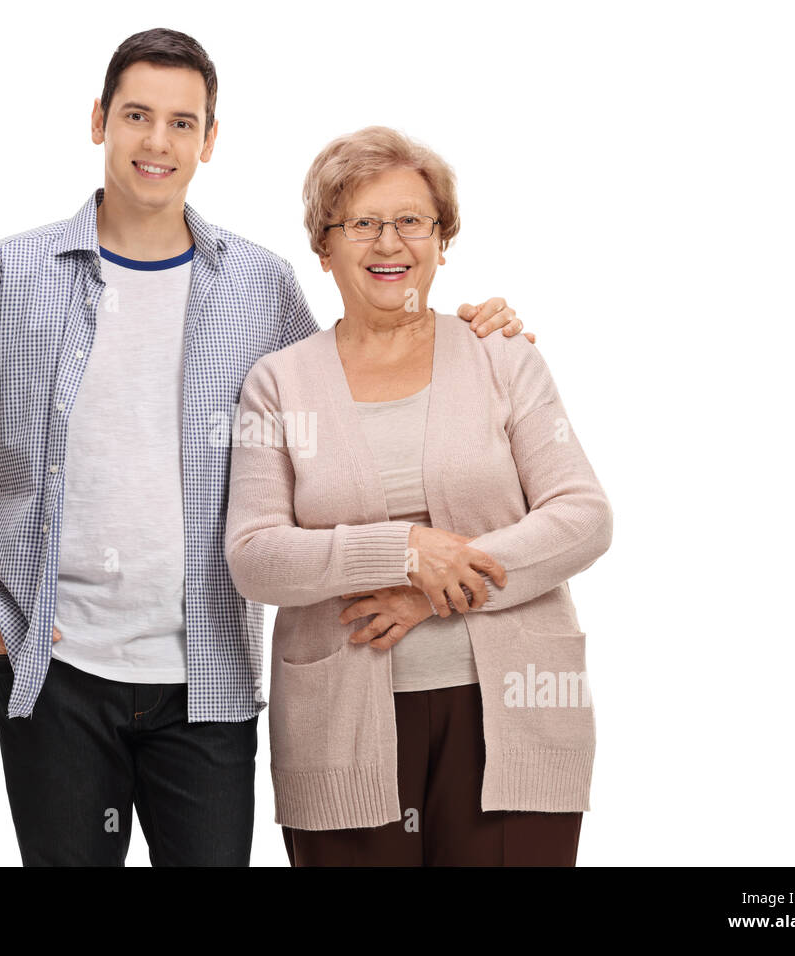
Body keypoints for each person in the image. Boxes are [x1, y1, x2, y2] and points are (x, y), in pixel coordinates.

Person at [0, 30, 529, 867]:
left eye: (182, 123)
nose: (158, 142)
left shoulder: (258, 283)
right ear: (98, 122)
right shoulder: (6, 275)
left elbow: (347, 405)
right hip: (53, 669)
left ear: (209, 139)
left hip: (210, 679)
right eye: (136, 116)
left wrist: (459, 329)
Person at [224, 126, 612, 866]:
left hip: (515, 711)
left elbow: (584, 517)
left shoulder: (500, 355)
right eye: (362, 223)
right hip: (341, 725)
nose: (388, 243)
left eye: (412, 221)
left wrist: (433, 591)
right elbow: (256, 557)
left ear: (442, 241)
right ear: (324, 245)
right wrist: (402, 552)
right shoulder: (280, 382)